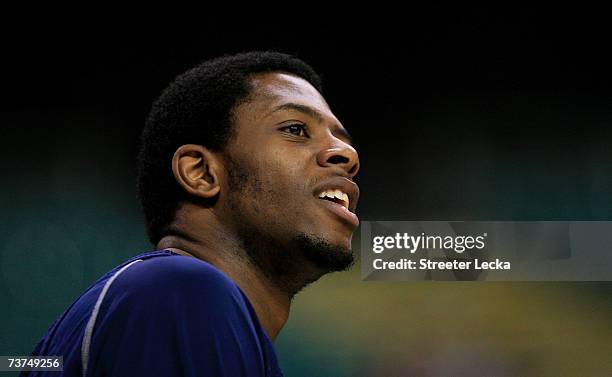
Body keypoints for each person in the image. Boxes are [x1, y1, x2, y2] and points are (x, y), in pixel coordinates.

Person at [23, 51, 360, 376]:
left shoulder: (179, 306)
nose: (347, 154)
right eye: (296, 129)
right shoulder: (179, 289)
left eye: (343, 139)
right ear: (201, 174)